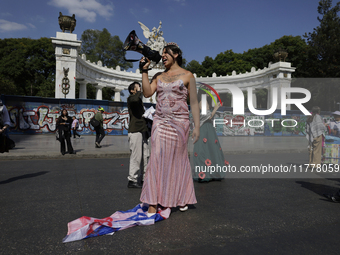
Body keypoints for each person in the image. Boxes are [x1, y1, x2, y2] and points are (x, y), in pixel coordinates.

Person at [139, 42, 200, 217]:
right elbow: (147, 92)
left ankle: (181, 197)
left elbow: (194, 102)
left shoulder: (189, 75)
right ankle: (152, 202)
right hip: (160, 122)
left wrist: (197, 126)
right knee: (156, 158)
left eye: (166, 53)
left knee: (178, 161)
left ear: (176, 54)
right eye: (162, 53)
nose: (162, 56)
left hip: (180, 124)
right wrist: (144, 71)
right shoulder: (159, 76)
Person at [192, 89, 228, 182]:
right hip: (205, 128)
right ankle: (209, 173)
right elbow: (208, 116)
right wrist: (216, 108)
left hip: (207, 127)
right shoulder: (202, 102)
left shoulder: (202, 102)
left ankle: (207, 172)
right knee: (206, 149)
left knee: (207, 149)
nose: (209, 93)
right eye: (207, 91)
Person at [127, 82, 150, 188]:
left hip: (143, 131)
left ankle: (144, 178)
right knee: (136, 156)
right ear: (132, 90)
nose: (140, 87)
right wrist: (139, 91)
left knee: (146, 156)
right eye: (137, 86)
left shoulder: (138, 100)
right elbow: (135, 99)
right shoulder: (131, 98)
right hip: (135, 130)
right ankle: (132, 179)